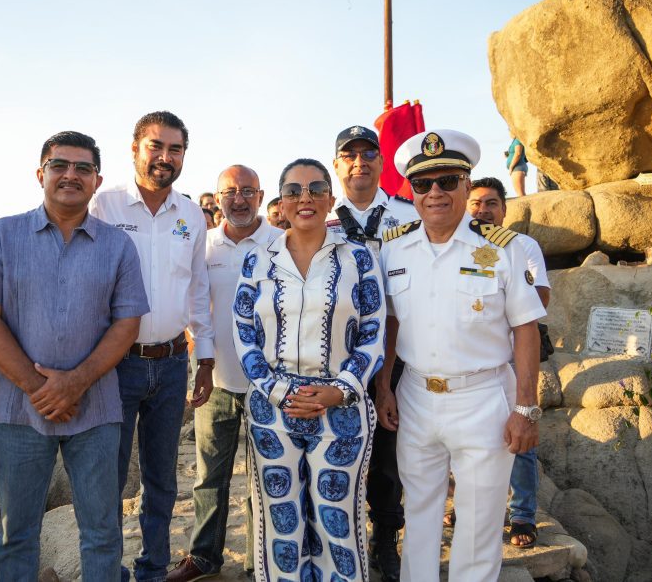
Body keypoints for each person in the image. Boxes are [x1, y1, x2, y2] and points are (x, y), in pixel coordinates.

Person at [0, 131, 149, 580]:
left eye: (83, 168)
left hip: (97, 410)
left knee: (103, 531)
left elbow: (127, 324)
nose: (71, 175)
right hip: (19, 410)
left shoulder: (118, 245)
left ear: (97, 180)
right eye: (60, 165)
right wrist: (40, 388)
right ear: (40, 173)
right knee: (16, 533)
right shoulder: (1, 235)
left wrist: (75, 382)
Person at [376, 130, 546, 582]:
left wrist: (526, 407)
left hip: (483, 398)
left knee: (478, 527)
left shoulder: (503, 249)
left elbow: (526, 328)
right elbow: (391, 323)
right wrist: (383, 386)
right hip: (415, 395)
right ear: (411, 192)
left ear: (467, 186)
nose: (435, 193)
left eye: (447, 181)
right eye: (423, 184)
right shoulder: (394, 248)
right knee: (421, 516)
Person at [234, 158, 384, 581]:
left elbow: (373, 332)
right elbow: (244, 333)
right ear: (279, 204)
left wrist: (340, 390)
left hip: (341, 408)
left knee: (337, 518)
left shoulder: (358, 259)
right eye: (294, 191)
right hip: (272, 410)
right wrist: (277, 391)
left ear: (330, 200)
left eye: (316, 189)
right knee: (282, 520)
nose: (306, 198)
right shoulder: (257, 260)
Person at [89, 110, 216, 582]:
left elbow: (198, 287)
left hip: (171, 364)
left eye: (175, 149)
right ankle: (108, 570)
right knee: (111, 477)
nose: (165, 157)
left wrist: (204, 357)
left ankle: (152, 569)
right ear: (135, 148)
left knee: (162, 478)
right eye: (156, 146)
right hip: (115, 365)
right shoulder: (103, 206)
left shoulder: (190, 213)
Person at [167, 165, 282, 582]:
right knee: (208, 478)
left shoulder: (281, 243)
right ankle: (203, 557)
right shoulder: (203, 245)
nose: (239, 199)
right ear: (217, 198)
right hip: (214, 381)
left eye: (248, 191)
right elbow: (188, 305)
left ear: (261, 194)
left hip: (268, 385)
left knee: (265, 478)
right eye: (230, 191)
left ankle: (258, 561)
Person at [328, 124, 418, 580]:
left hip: (397, 353)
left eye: (369, 154)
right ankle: (343, 542)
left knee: (387, 456)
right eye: (350, 155)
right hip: (335, 359)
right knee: (339, 450)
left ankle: (385, 540)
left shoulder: (410, 214)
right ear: (337, 164)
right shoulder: (319, 220)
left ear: (382, 163)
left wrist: (386, 378)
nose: (360, 162)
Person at [467, 176, 551, 549]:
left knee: (518, 437)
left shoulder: (521, 245)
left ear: (504, 209)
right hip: (468, 360)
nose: (482, 210)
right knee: (470, 439)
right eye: (476, 203)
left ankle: (522, 514)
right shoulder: (453, 245)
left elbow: (541, 297)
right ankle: (477, 506)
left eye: (490, 203)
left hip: (511, 355)